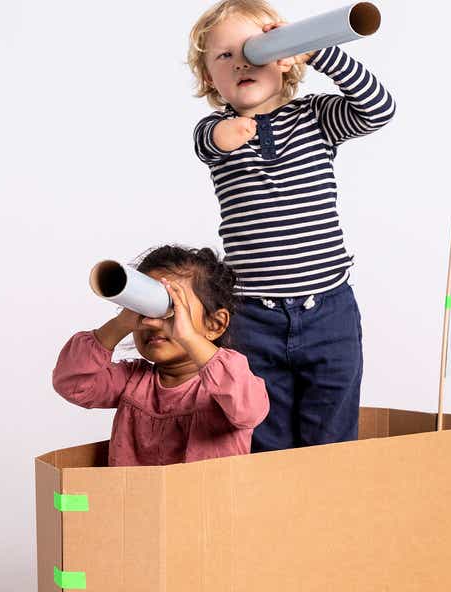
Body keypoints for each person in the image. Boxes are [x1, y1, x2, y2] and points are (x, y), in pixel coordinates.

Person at [187, 0, 395, 451]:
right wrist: (225, 134)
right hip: (252, 316)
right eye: (225, 56)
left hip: (328, 309)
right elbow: (207, 144)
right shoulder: (214, 131)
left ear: (282, 61)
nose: (242, 60)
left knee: (332, 430)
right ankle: (274, 515)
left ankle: (329, 513)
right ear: (209, 78)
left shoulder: (316, 118)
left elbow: (378, 108)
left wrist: (319, 51)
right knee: (263, 431)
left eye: (256, 49)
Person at [52, 245, 269, 465]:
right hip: (136, 499)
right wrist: (120, 324)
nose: (156, 324)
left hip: (207, 499)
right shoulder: (132, 381)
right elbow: (72, 383)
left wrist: (188, 337)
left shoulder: (226, 385)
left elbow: (249, 410)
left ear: (214, 324)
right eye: (144, 311)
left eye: (172, 310)